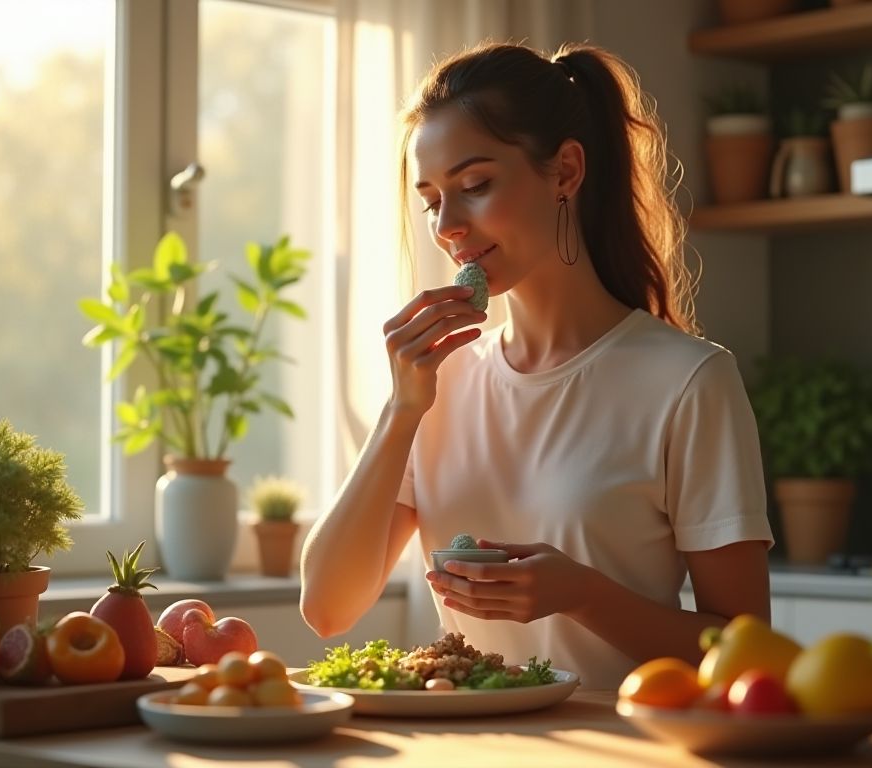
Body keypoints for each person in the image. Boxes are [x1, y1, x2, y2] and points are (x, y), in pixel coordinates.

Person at [300, 41, 773, 690]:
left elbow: (749, 652)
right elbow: (326, 608)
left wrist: (580, 593)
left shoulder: (688, 382)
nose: (448, 225)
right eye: (432, 199)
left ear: (566, 172)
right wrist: (400, 410)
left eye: (474, 186)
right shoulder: (441, 385)